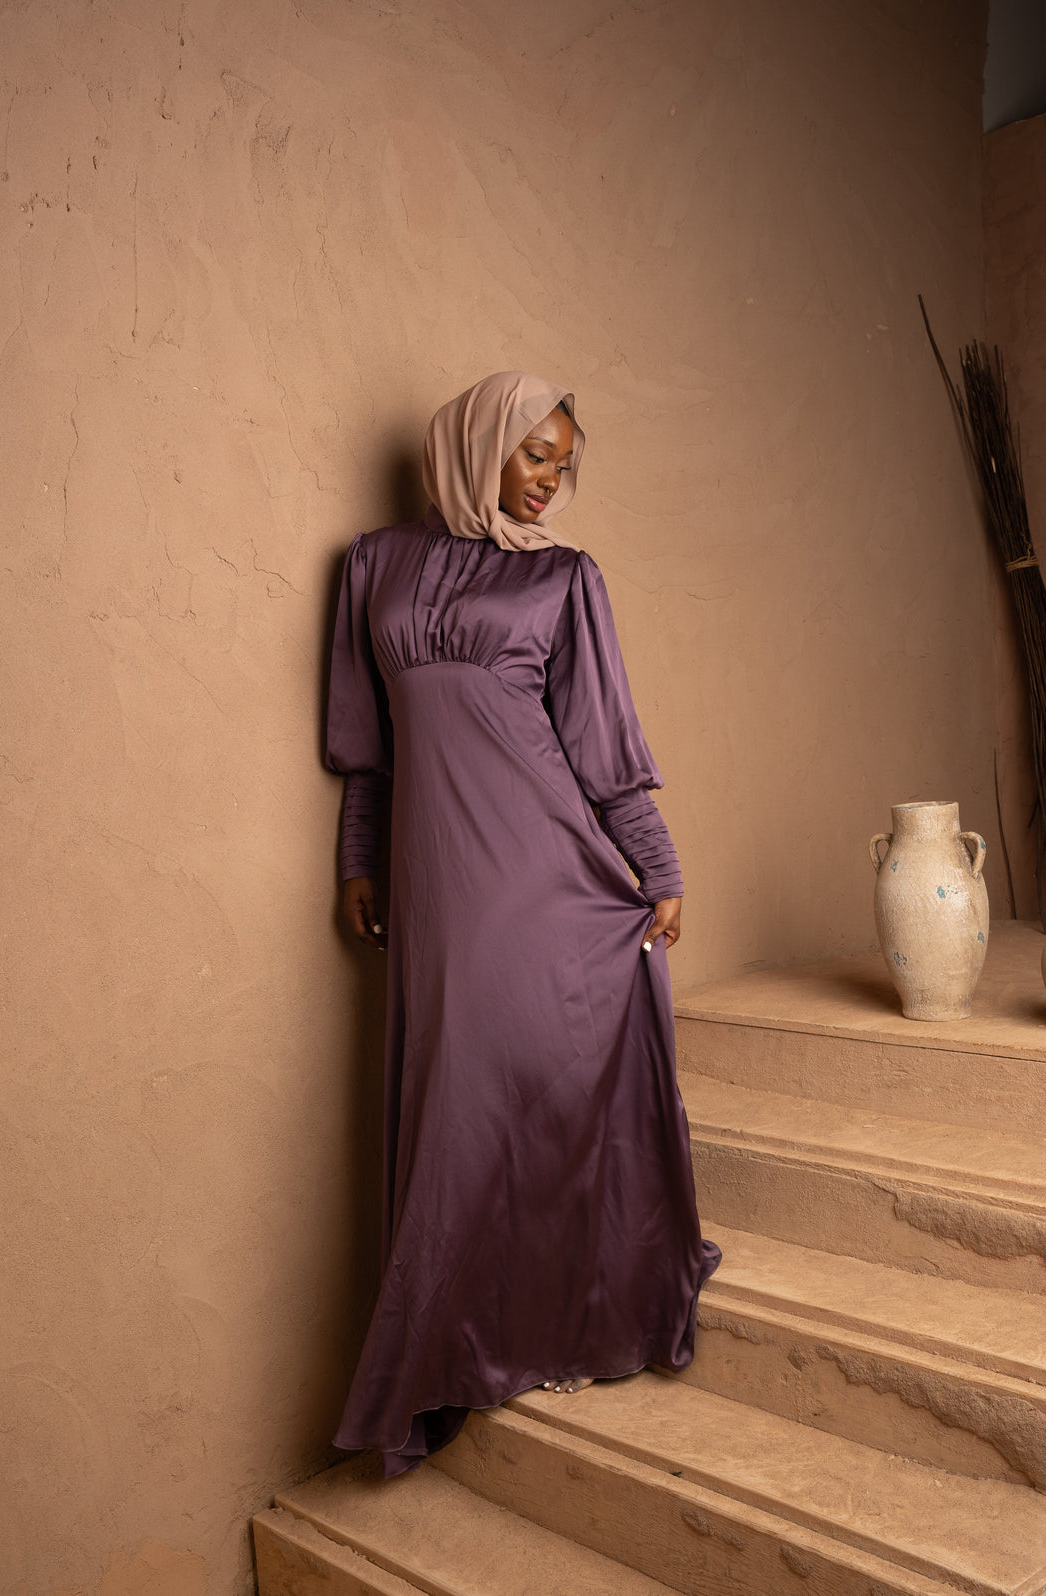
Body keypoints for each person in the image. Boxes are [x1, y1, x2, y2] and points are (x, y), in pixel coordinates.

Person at [324, 371, 720, 1476]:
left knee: (531, 1097)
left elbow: (599, 743)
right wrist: (360, 858)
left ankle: (561, 1317)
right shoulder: (373, 566)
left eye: (564, 463)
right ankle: (461, 1346)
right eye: (535, 454)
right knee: (459, 1103)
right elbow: (370, 745)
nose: (552, 480)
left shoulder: (564, 581)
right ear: (481, 442)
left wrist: (657, 864)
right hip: (439, 880)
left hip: (551, 873)